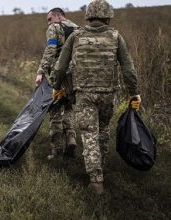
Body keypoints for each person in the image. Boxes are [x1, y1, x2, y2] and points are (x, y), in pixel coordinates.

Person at [52, 0, 141, 194]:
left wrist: (57, 87)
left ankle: (96, 180)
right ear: (108, 16)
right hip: (109, 94)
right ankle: (99, 169)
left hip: (84, 94)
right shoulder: (116, 37)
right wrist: (134, 93)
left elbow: (60, 67)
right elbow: (128, 69)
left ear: (88, 16)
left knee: (89, 133)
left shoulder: (75, 37)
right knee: (102, 131)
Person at [34, 8, 79, 160]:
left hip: (59, 75)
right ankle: (71, 140)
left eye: (49, 19)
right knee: (68, 108)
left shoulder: (54, 28)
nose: (48, 23)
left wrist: (41, 71)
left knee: (54, 111)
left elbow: (50, 50)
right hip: (74, 76)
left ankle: (57, 151)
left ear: (58, 16)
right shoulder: (77, 29)